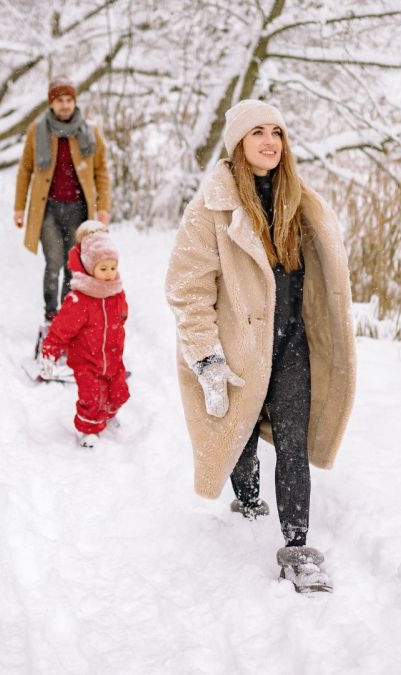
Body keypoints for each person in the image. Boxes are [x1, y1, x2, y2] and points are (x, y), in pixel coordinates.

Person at [164, 99, 356, 593]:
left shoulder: (301, 202)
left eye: (277, 132)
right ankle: (246, 497)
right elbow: (187, 289)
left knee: (292, 438)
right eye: (258, 133)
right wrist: (207, 358)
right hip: (240, 348)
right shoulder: (210, 208)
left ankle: (297, 548)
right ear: (238, 143)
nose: (270, 141)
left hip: (292, 344)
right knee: (241, 435)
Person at [15, 76, 111, 356]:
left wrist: (103, 206)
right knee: (53, 261)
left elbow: (101, 170)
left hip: (80, 209)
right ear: (52, 103)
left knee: (74, 264)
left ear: (75, 102)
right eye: (60, 100)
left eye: (69, 100)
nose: (65, 105)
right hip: (47, 209)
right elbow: (25, 170)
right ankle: (50, 314)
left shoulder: (90, 131)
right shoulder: (38, 131)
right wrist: (19, 207)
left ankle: (68, 317)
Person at [39, 221, 129, 449]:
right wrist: (49, 352)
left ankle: (106, 414)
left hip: (113, 358)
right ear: (90, 268)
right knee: (91, 396)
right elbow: (60, 331)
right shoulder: (80, 299)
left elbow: (122, 315)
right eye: (103, 268)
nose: (109, 274)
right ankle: (89, 430)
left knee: (118, 393)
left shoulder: (116, 292)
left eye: (112, 267)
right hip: (86, 361)